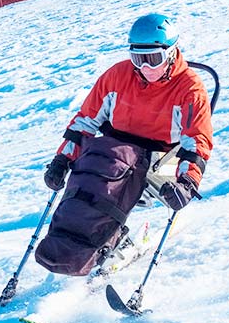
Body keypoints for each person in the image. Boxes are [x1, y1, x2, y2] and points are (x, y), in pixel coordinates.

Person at [44, 13, 213, 211]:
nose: (146, 67)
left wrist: (187, 182)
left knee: (116, 180)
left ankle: (115, 228)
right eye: (138, 59)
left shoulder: (189, 90)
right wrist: (62, 159)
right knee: (88, 176)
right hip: (115, 153)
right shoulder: (118, 76)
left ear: (171, 52)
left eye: (153, 59)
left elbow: (196, 141)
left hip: (162, 159)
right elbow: (85, 121)